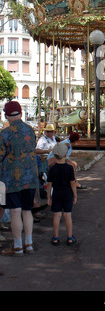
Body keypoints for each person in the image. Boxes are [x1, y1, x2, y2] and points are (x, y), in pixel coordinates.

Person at [0, 101, 38, 256]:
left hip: (12, 179)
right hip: (30, 177)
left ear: (6, 115)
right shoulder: (30, 130)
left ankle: (17, 247)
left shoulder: (5, 134)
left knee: (15, 212)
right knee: (27, 211)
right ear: (21, 113)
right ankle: (28, 244)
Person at [47, 143, 77, 246]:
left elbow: (49, 184)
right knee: (67, 215)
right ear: (65, 155)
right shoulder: (69, 168)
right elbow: (72, 183)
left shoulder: (52, 168)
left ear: (54, 155)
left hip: (56, 194)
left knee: (57, 215)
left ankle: (55, 237)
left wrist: (48, 198)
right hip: (68, 193)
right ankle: (69, 237)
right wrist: (75, 195)